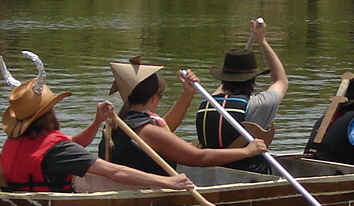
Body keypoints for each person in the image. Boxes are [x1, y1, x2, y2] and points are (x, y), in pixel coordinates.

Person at [0, 65, 194, 194]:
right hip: (50, 203)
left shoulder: (14, 142)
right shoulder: (58, 150)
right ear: (49, 114)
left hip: (24, 197)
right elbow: (115, 171)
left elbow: (75, 143)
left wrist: (97, 122)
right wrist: (168, 182)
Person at [103, 60, 269, 175]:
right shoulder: (146, 131)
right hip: (149, 192)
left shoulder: (119, 122)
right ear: (154, 98)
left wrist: (188, 92)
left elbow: (165, 129)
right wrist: (247, 151)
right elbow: (199, 158)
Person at [190, 17, 289, 175]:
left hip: (209, 172)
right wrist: (262, 41)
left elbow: (222, 88)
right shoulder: (258, 104)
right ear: (254, 78)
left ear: (223, 77)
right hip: (249, 173)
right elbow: (281, 80)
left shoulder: (206, 102)